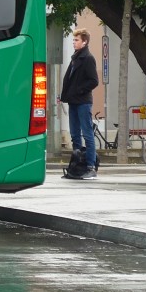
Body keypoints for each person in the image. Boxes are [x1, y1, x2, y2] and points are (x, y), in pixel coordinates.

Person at [59, 28, 100, 180]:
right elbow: (69, 80)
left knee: (87, 134)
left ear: (85, 42)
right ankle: (76, 166)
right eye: (73, 40)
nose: (74, 42)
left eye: (76, 40)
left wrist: (78, 91)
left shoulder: (87, 58)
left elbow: (93, 81)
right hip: (74, 102)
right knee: (75, 135)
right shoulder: (76, 58)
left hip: (83, 102)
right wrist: (65, 96)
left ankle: (90, 166)